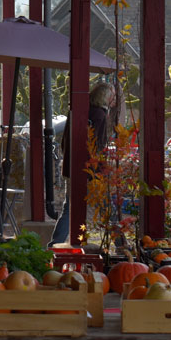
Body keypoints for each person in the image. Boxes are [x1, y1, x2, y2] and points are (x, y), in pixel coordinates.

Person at [48, 81, 114, 246]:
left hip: (72, 166)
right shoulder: (99, 115)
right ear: (106, 97)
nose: (114, 100)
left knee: (69, 206)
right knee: (107, 205)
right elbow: (97, 145)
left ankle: (55, 243)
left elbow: (64, 141)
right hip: (91, 169)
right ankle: (120, 243)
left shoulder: (76, 112)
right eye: (113, 96)